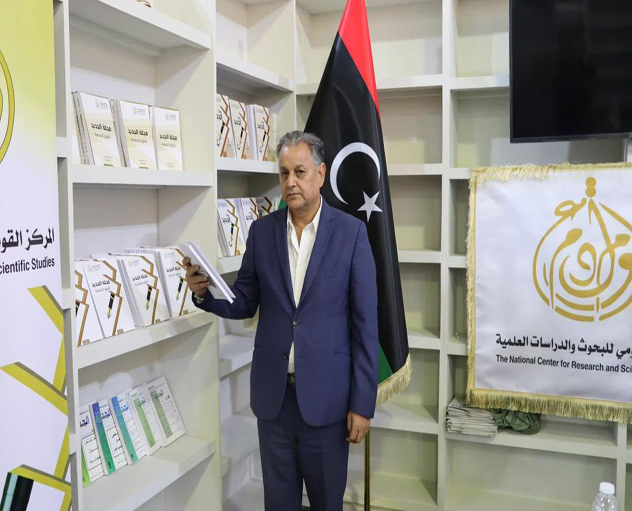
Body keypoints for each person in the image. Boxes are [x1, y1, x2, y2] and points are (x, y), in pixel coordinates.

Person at [184, 131, 379, 510]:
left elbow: (365, 326)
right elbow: (244, 302)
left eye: (300, 172)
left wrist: (362, 403)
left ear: (320, 174)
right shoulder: (262, 232)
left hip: (328, 402)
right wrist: (204, 294)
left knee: (326, 503)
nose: (290, 182)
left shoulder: (351, 234)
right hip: (274, 401)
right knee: (278, 502)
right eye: (284, 173)